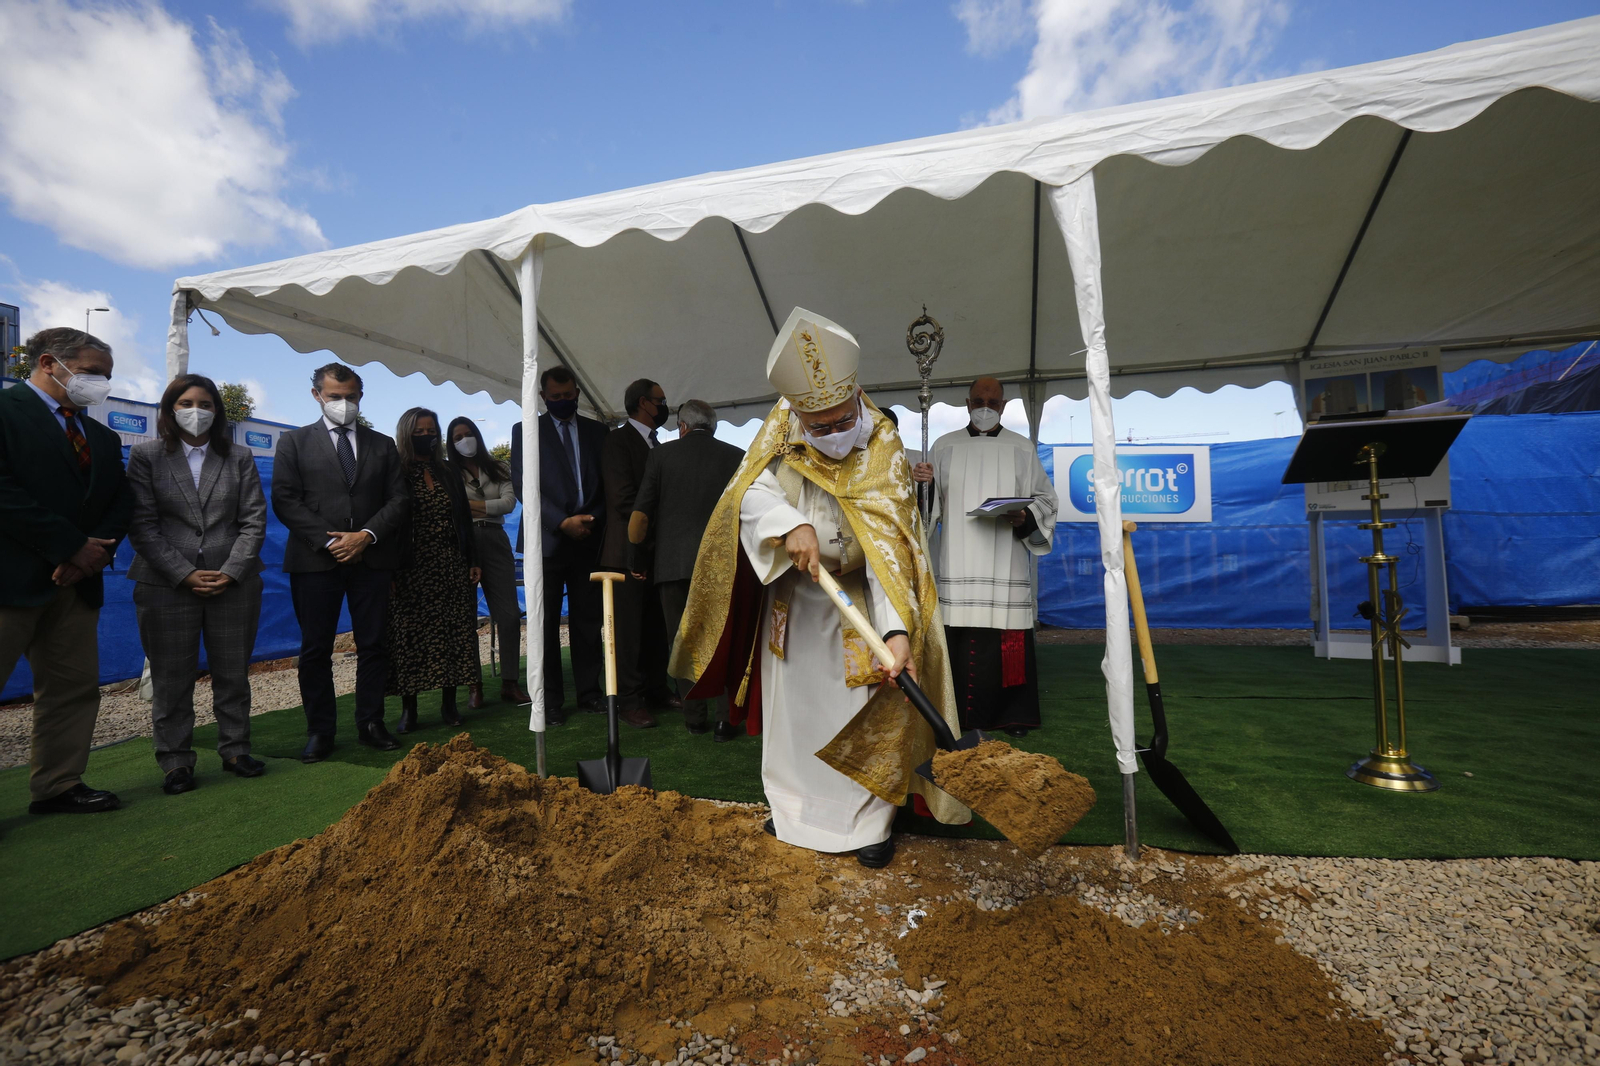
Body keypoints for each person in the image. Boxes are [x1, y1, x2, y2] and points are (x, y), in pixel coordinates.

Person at [671, 308, 969, 869]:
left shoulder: (882, 448)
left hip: (859, 603)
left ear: (857, 395)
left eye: (840, 421)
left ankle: (867, 824)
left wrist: (898, 630)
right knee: (792, 720)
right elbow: (748, 490)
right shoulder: (780, 429)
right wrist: (788, 523)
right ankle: (790, 811)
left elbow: (894, 553)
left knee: (855, 715)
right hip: (792, 605)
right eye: (820, 426)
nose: (833, 435)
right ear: (798, 414)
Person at [0, 327, 133, 815]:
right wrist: (70, 545)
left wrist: (92, 554)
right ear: (50, 363)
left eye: (107, 376)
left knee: (71, 688)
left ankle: (58, 784)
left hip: (77, 586)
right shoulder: (7, 412)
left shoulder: (100, 434)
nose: (101, 384)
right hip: (11, 580)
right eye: (93, 372)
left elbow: (120, 500)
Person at [126, 374, 268, 794]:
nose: (196, 410)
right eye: (186, 402)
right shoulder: (146, 456)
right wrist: (184, 573)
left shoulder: (239, 456)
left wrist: (231, 570)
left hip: (233, 582)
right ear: (170, 409)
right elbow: (142, 524)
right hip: (165, 583)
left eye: (205, 403)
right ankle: (175, 762)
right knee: (171, 677)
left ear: (218, 411)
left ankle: (236, 750)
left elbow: (254, 520)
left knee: (232, 672)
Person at [271, 363, 411, 762]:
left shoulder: (382, 445)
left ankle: (370, 723)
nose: (343, 404)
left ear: (361, 397)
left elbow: (398, 500)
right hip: (316, 560)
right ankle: (320, 731)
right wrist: (329, 540)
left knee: (373, 645)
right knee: (315, 649)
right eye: (335, 397)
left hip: (372, 558)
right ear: (317, 395)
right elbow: (285, 500)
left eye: (350, 396)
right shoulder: (293, 443)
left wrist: (365, 536)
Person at [912, 377, 1058, 737]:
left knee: (1007, 639)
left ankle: (1012, 715)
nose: (985, 407)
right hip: (957, 559)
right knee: (959, 639)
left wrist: (1025, 517)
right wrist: (923, 487)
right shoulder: (943, 447)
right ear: (966, 402)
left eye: (993, 401)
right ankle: (955, 711)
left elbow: (1046, 500)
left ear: (1005, 406)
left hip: (1005, 560)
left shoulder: (1021, 447)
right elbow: (929, 513)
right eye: (979, 400)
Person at [627, 399, 744, 738]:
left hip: (673, 564)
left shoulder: (661, 456)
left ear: (682, 426)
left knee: (683, 639)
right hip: (723, 564)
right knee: (723, 638)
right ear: (714, 425)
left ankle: (694, 717)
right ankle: (725, 719)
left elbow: (640, 518)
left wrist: (639, 560)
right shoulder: (736, 455)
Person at [509, 366, 608, 724]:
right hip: (546, 542)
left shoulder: (598, 431)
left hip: (588, 538)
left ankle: (590, 694)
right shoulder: (526, 431)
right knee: (545, 624)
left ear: (578, 392)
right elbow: (523, 485)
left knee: (586, 622)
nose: (563, 402)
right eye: (556, 397)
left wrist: (589, 520)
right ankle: (549, 701)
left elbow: (606, 483)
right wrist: (561, 522)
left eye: (569, 396)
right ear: (542, 396)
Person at [386, 408, 481, 733]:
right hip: (411, 566)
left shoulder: (448, 471)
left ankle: (449, 705)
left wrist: (472, 559)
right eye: (420, 431)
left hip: (451, 562)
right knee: (410, 636)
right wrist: (391, 570)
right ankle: (409, 710)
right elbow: (391, 522)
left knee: (453, 633)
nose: (426, 436)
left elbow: (464, 519)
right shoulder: (396, 471)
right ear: (407, 433)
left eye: (431, 430)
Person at [599, 378, 675, 729]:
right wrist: (646, 543)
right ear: (644, 403)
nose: (665, 406)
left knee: (655, 628)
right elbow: (623, 501)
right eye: (661, 400)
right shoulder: (617, 441)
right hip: (626, 553)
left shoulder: (657, 444)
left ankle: (656, 690)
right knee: (628, 633)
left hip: (656, 553)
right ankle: (629, 700)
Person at [445, 417, 526, 707]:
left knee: (509, 615)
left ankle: (510, 683)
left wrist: (469, 507)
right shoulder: (448, 471)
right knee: (465, 617)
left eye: (468, 434)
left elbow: (509, 504)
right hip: (461, 543)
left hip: (495, 540)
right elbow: (450, 508)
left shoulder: (498, 467)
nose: (464, 440)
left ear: (477, 435)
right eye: (457, 437)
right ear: (450, 442)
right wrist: (480, 509)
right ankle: (474, 685)